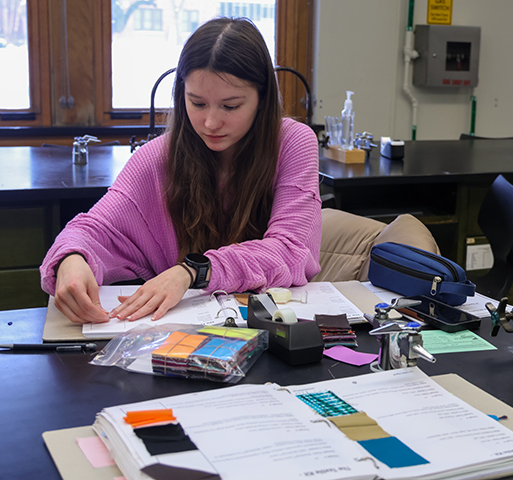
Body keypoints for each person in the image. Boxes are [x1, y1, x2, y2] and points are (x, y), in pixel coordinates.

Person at [40, 17, 322, 324]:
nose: (212, 123)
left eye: (230, 106)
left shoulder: (293, 143)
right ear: (181, 94)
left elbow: (291, 251)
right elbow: (91, 230)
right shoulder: (155, 158)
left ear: (262, 99)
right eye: (197, 103)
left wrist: (194, 271)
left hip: (274, 333)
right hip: (177, 340)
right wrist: (72, 258)